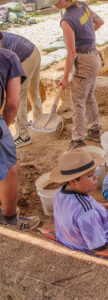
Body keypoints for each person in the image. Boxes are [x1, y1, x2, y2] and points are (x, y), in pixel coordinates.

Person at [53, 0, 104, 149]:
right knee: (88, 97)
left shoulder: (66, 20)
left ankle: (77, 140)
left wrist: (65, 77)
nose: (53, 3)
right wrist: (86, 35)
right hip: (94, 56)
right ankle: (94, 130)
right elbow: (99, 22)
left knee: (77, 101)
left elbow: (71, 52)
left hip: (84, 62)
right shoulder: (82, 6)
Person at [0, 48, 40, 230]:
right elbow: (13, 103)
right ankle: (10, 220)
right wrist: (5, 127)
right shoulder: (8, 57)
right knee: (9, 168)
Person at [0, 31, 43, 148]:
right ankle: (38, 120)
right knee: (33, 90)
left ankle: (23, 135)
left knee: (18, 96)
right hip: (33, 52)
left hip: (24, 57)